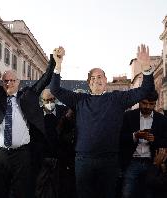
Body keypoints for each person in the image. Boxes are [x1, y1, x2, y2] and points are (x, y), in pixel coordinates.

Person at [50, 45, 155, 198]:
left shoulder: (117, 99)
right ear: (88, 83)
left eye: (99, 77)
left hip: (109, 161)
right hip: (83, 161)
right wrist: (57, 65)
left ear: (106, 80)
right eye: (92, 78)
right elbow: (55, 90)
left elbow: (145, 90)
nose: (96, 80)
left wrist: (146, 67)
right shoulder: (80, 100)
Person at [0, 38, 57, 198]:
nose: (9, 83)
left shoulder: (28, 95)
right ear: (1, 82)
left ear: (18, 82)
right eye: (6, 81)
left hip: (23, 155)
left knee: (22, 192)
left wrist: (53, 60)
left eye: (12, 80)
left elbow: (45, 78)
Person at [120, 91, 167, 198]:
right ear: (139, 102)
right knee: (127, 194)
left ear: (155, 103)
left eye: (151, 104)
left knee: (149, 194)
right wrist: (135, 136)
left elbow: (165, 141)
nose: (147, 106)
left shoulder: (162, 119)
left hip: (152, 163)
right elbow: (119, 139)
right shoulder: (128, 116)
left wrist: (155, 139)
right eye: (144, 103)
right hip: (132, 162)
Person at [35, 89, 76, 198]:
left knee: (60, 189)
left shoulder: (64, 111)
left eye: (52, 99)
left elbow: (70, 133)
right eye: (46, 100)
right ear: (41, 100)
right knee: (40, 189)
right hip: (42, 159)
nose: (49, 103)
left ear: (56, 99)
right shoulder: (35, 114)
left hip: (61, 159)